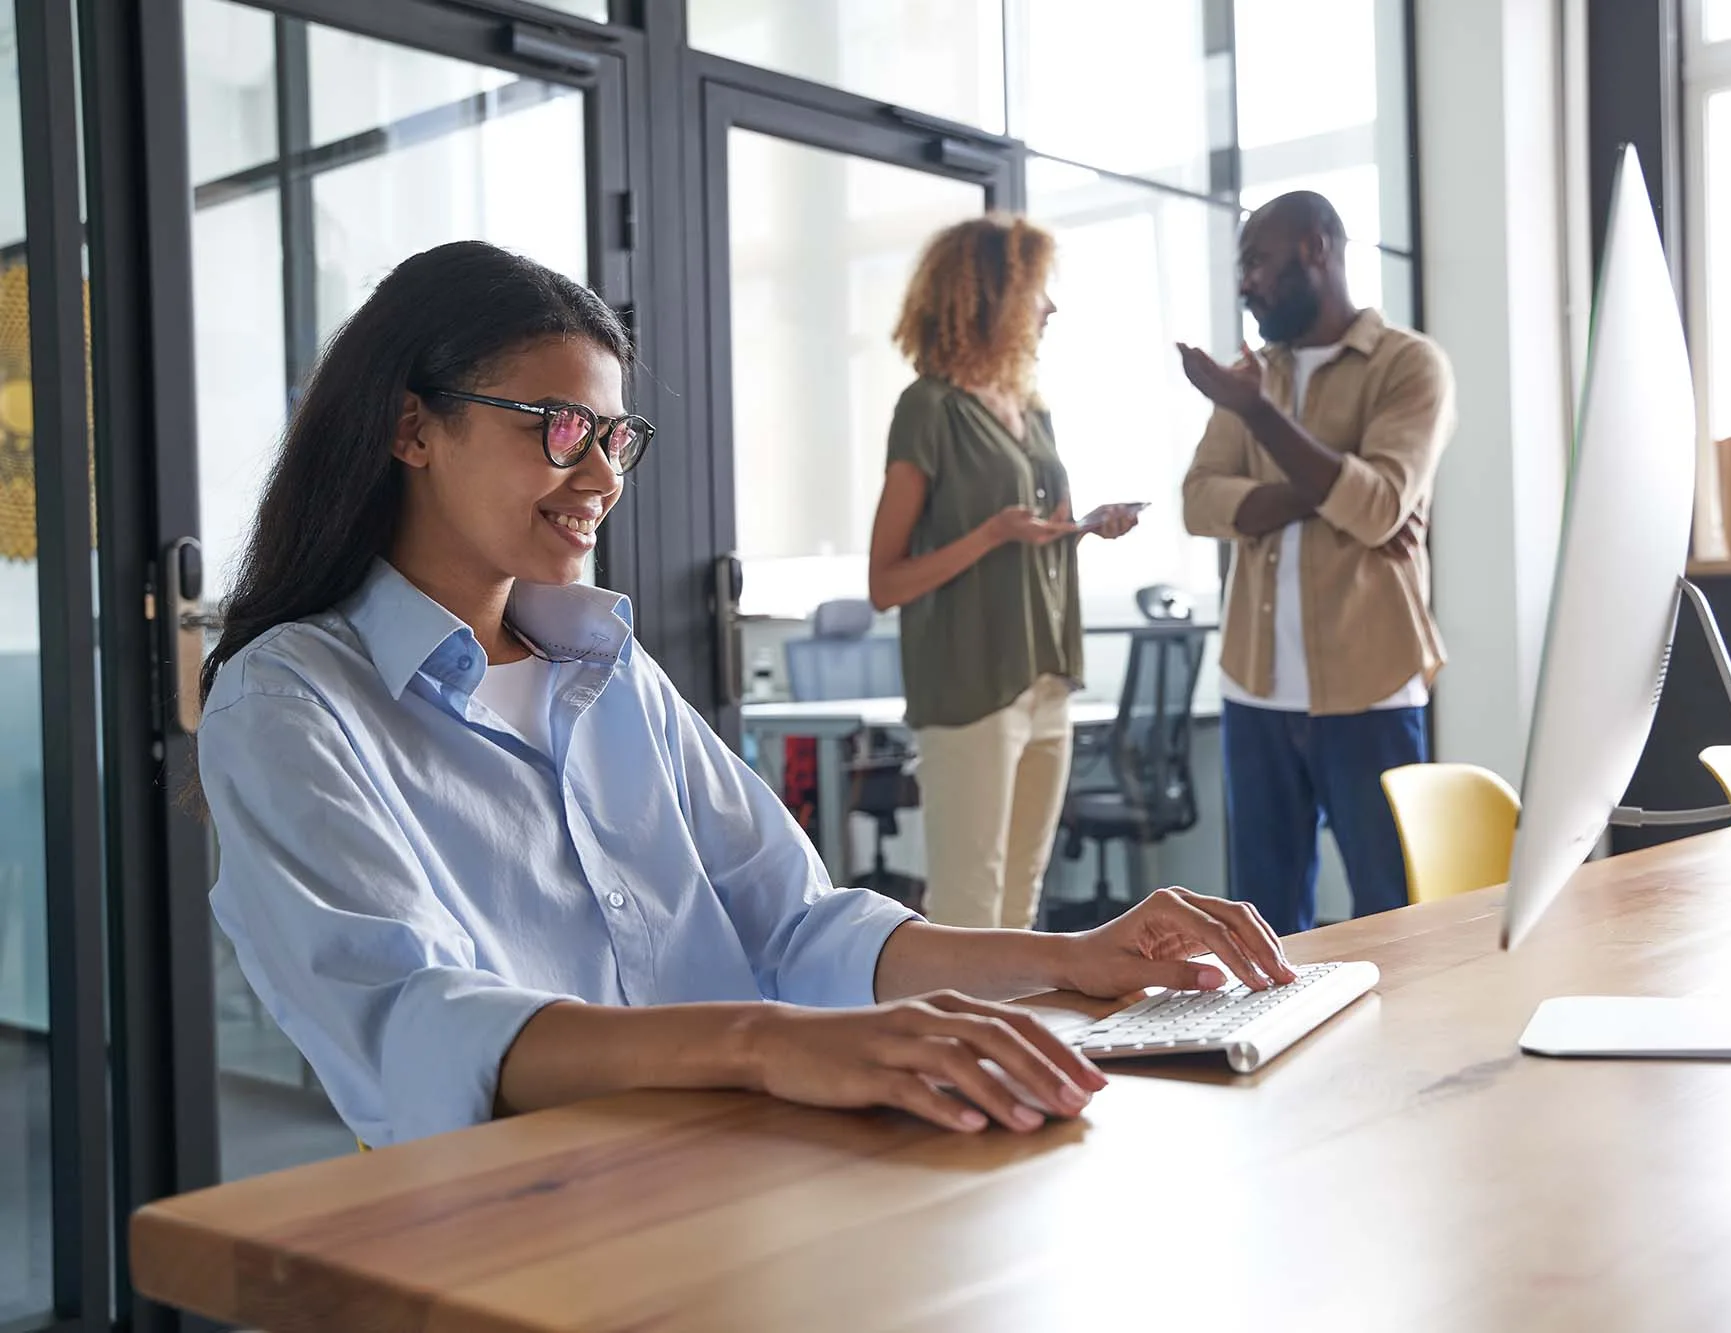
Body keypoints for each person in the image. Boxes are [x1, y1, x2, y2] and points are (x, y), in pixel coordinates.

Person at [197, 240, 1291, 1150]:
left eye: (615, 436)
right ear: (411, 429)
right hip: (523, 1215)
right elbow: (410, 1024)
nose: (603, 477)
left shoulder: (607, 669)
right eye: (559, 427)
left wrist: (1072, 955)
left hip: (741, 1162)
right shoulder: (291, 705)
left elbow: (799, 924)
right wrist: (769, 1042)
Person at [1177, 191, 1455, 934]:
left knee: (1392, 912)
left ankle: (1402, 1054)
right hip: (1255, 687)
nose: (1245, 284)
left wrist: (1263, 420)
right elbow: (1200, 503)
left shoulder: (1409, 365)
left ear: (1314, 250)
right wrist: (1329, 486)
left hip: (1372, 685)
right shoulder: (1253, 372)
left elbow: (1379, 505)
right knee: (1263, 923)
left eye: (1257, 263)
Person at [868, 215, 1141, 931]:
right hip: (969, 683)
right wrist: (991, 535)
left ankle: (1011, 1043)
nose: (1049, 309)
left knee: (1021, 901)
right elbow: (885, 581)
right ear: (988, 297)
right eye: (1036, 292)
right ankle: (950, 1045)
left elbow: (1044, 534)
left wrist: (1086, 528)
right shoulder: (927, 409)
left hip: (1045, 675)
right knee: (968, 905)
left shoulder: (1033, 410)